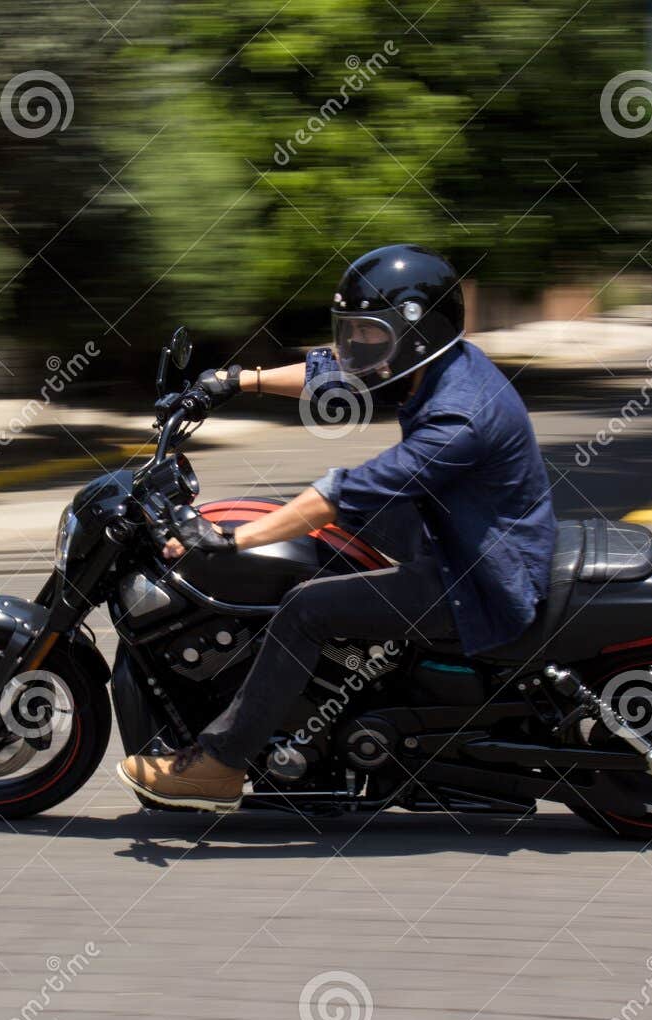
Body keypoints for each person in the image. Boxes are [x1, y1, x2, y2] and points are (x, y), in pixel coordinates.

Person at [118, 243, 557, 812]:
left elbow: (347, 490)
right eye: (350, 331)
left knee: (306, 608)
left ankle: (220, 764)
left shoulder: (460, 414)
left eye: (367, 333)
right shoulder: (434, 368)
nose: (353, 346)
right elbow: (335, 372)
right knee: (311, 544)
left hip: (477, 577)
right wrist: (235, 380)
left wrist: (228, 540)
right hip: (453, 532)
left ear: (414, 332)